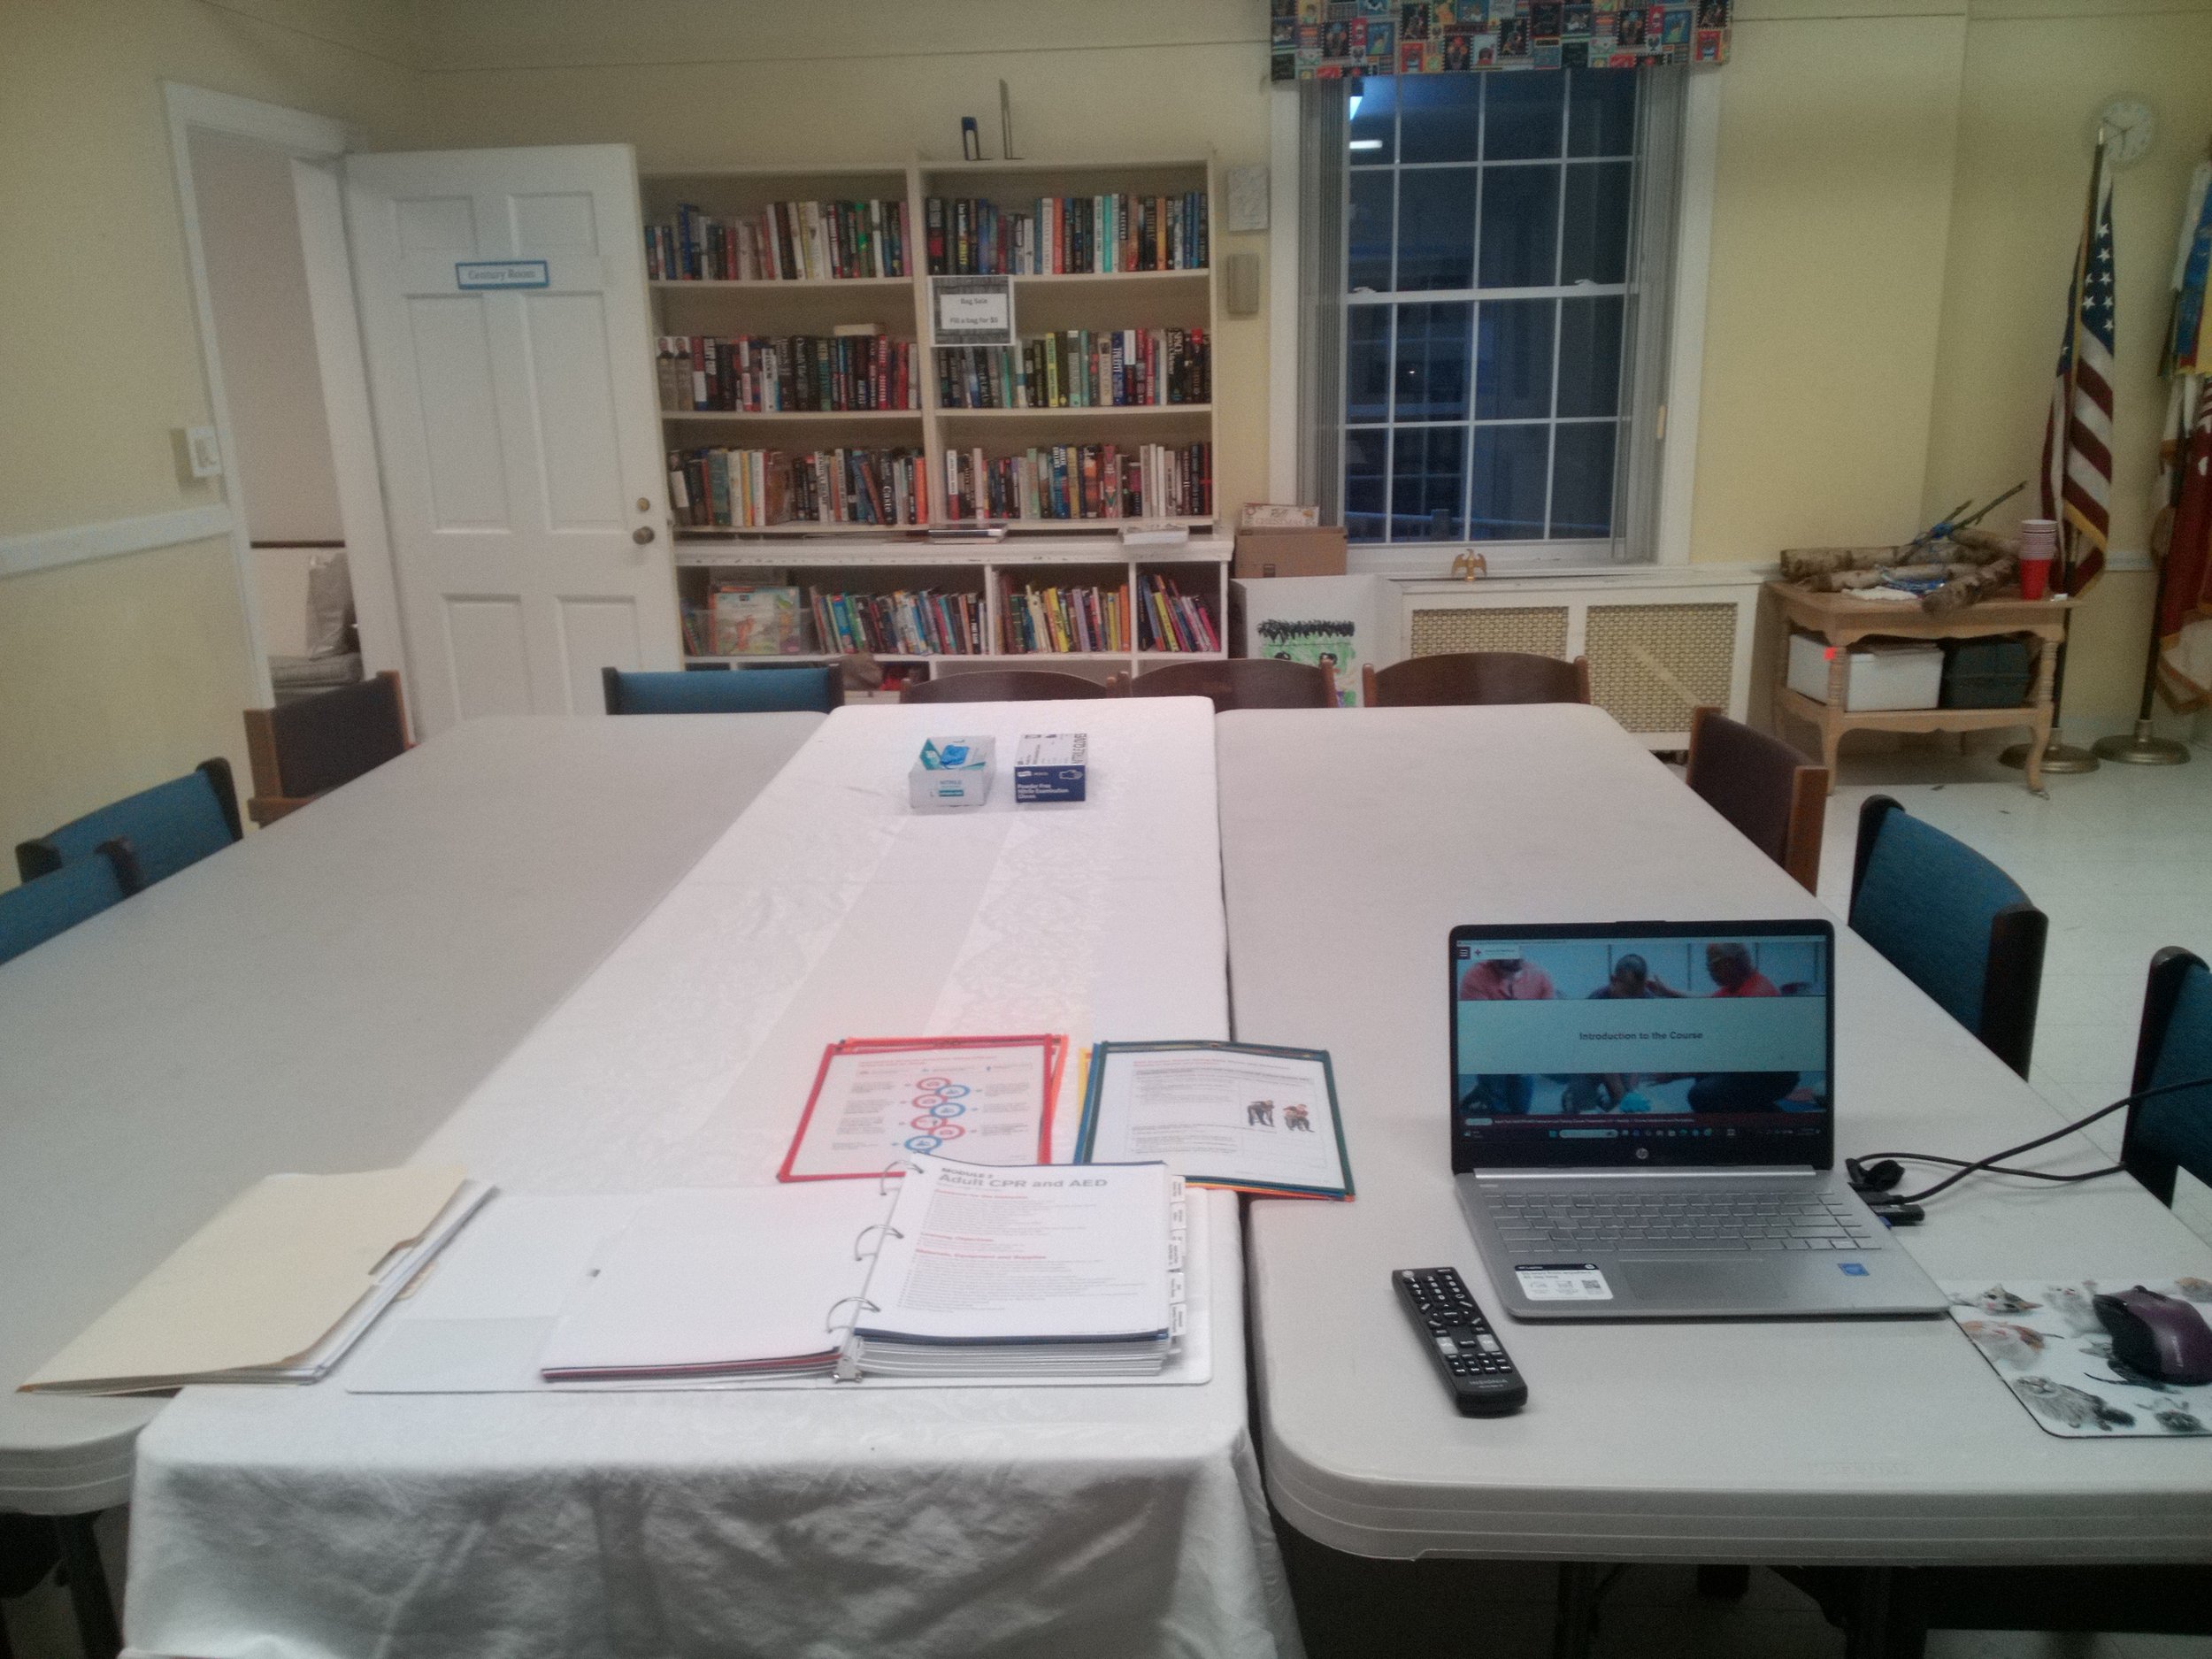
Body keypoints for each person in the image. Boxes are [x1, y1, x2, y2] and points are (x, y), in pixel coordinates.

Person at [1459, 951, 1555, 1001]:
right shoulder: (1476, 976)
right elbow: (1478, 1022)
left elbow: (1550, 1018)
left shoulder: (1541, 976)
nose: (1517, 955)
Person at [1703, 941, 1778, 997]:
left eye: (1717, 965)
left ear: (1734, 962)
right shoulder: (1733, 986)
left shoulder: (1758, 993)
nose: (1712, 971)